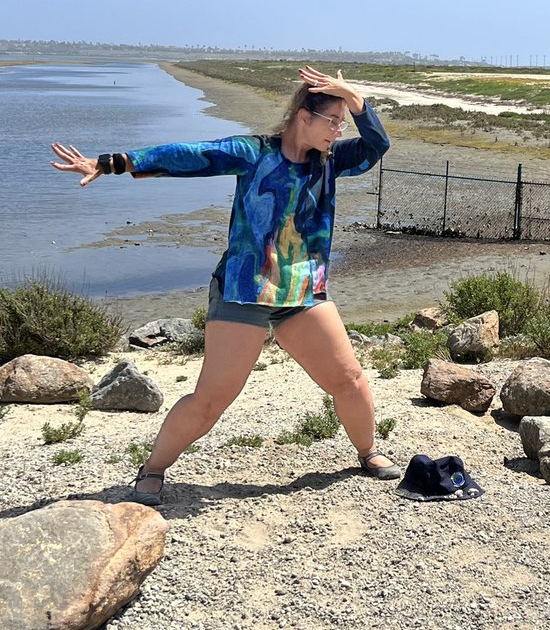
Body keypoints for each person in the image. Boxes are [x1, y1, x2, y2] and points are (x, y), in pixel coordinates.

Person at [51, 65, 401, 506]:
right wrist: (112, 162)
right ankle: (153, 469)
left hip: (303, 294)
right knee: (211, 399)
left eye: (343, 122)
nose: (338, 130)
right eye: (332, 120)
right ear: (303, 116)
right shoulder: (253, 152)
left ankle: (367, 452)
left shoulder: (332, 161)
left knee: (349, 378)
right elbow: (188, 154)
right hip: (244, 291)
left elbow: (378, 144)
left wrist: (353, 96)